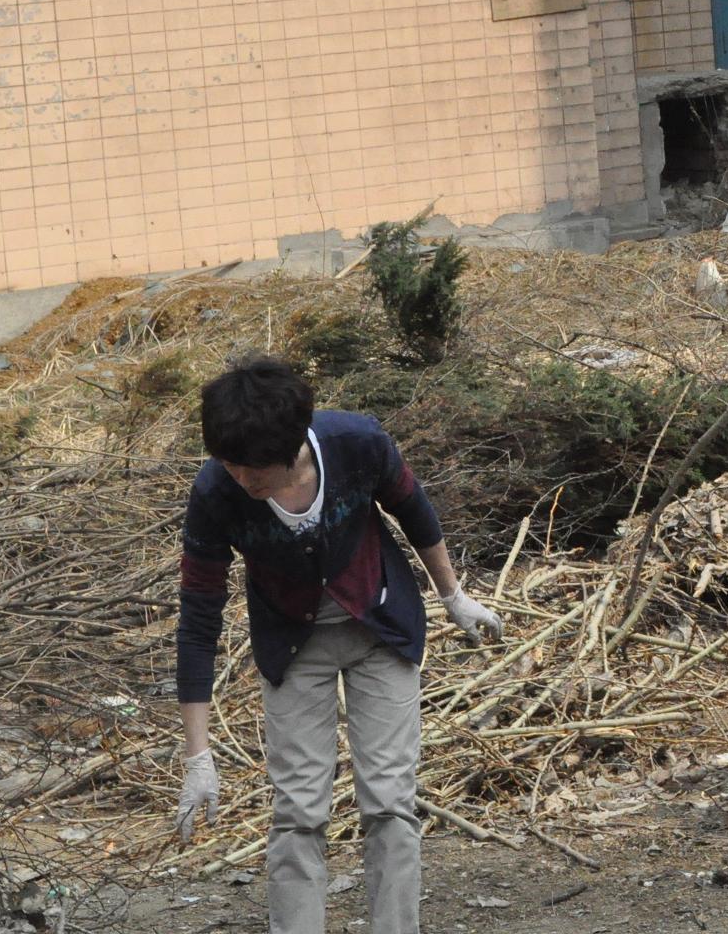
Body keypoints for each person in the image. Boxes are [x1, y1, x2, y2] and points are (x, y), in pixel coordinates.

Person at [174, 357, 503, 934]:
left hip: (381, 631)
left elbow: (413, 509)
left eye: (253, 467)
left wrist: (453, 595)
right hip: (292, 648)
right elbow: (199, 618)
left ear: (292, 447)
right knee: (298, 810)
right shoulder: (216, 492)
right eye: (229, 463)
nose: (242, 478)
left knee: (390, 801)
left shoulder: (358, 443)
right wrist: (197, 756)